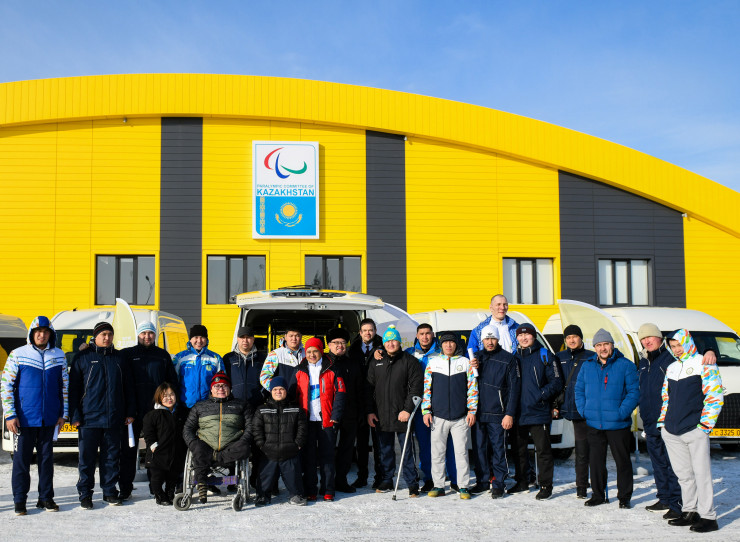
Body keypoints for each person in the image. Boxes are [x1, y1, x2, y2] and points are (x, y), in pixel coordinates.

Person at [1, 316, 68, 515]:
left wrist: (63, 414)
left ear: (51, 334)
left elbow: (64, 387)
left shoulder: (59, 355)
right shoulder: (18, 354)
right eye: (38, 331)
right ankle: (19, 500)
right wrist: (10, 415)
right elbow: (6, 385)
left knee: (46, 461)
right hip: (24, 419)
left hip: (49, 419)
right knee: (22, 461)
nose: (42, 335)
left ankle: (46, 498)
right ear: (32, 333)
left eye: (46, 332)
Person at [659, 329, 723, 533]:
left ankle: (709, 517)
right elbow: (666, 398)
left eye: (679, 344)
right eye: (673, 346)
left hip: (694, 429)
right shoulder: (671, 368)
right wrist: (663, 424)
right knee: (684, 475)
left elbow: (714, 396)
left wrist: (704, 427)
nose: (676, 349)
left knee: (701, 474)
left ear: (687, 342)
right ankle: (689, 511)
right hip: (672, 430)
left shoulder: (704, 363)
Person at [69, 321, 135, 509]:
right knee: (87, 459)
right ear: (95, 336)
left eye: (109, 334)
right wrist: (75, 415)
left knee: (111, 458)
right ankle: (85, 494)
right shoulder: (83, 357)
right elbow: (74, 389)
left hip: (114, 417)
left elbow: (129, 388)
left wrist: (130, 412)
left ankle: (109, 491)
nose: (107, 338)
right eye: (103, 335)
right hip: (89, 418)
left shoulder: (120, 358)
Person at [575, 328, 639, 509]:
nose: (602, 348)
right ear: (594, 347)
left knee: (622, 461)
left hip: (618, 423)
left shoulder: (625, 365)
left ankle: (624, 497)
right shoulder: (587, 366)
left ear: (612, 345)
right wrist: (584, 410)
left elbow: (634, 392)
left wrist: (621, 412)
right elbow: (579, 390)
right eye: (599, 345)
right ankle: (598, 495)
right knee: (596, 461)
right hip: (594, 422)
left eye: (606, 344)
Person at [118, 321, 177, 500]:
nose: (147, 336)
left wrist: (169, 405)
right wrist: (88, 347)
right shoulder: (128, 354)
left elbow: (171, 382)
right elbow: (108, 355)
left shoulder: (162, 355)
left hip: (157, 412)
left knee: (156, 449)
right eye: (144, 333)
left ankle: (155, 486)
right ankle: (125, 488)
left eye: (150, 333)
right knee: (128, 451)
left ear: (155, 335)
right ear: (138, 335)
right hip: (133, 412)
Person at [507, 323, 563, 500]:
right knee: (518, 450)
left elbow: (557, 382)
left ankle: (546, 485)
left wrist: (540, 395)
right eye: (520, 335)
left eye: (527, 335)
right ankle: (522, 481)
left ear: (534, 336)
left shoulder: (545, 355)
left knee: (543, 451)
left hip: (539, 411)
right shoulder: (514, 357)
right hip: (518, 413)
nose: (524, 338)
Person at [366, 325, 423, 496]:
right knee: (385, 450)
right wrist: (370, 411)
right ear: (383, 343)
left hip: (402, 414)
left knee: (407, 451)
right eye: (388, 341)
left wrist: (407, 410)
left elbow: (416, 388)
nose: (391, 344)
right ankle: (386, 480)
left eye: (394, 340)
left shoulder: (409, 361)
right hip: (381, 414)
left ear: (399, 342)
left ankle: (412, 482)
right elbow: (368, 389)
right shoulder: (376, 362)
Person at [421, 332, 478, 499]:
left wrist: (472, 410)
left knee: (461, 453)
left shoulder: (465, 362)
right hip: (438, 416)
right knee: (437, 453)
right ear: (441, 345)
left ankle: (463, 486)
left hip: (460, 417)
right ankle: (438, 485)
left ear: (456, 345)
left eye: (451, 342)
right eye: (445, 343)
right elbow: (427, 389)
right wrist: (426, 410)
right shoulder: (433, 363)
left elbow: (472, 388)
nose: (448, 345)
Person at [637, 322, 683, 519]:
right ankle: (664, 497)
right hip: (649, 420)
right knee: (658, 463)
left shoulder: (670, 358)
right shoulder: (643, 362)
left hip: (668, 420)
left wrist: (709, 351)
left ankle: (677, 501)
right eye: (643, 339)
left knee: (672, 463)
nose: (647, 341)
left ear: (659, 338)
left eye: (650, 337)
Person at [182, 371, 252, 504]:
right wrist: (193, 442)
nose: (221, 389)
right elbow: (187, 429)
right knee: (197, 448)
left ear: (230, 388)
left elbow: (250, 427)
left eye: (224, 386)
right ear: (211, 389)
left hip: (231, 447)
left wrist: (243, 440)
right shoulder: (200, 406)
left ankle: (216, 459)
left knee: (244, 447)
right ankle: (202, 483)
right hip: (206, 446)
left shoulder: (241, 405)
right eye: (217, 386)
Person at [469, 324, 520, 498]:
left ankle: (499, 482)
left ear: (498, 339)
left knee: (499, 450)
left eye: (493, 338)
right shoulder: (476, 358)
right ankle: (482, 481)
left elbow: (514, 389)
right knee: (479, 449)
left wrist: (509, 413)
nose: (490, 342)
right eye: (486, 338)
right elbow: (467, 383)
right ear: (482, 340)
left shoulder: (508, 359)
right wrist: (471, 367)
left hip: (498, 413)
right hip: (478, 413)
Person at [405, 323, 458, 492]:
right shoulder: (410, 353)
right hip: (419, 406)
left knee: (447, 444)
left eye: (428, 333)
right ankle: (429, 478)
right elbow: (393, 355)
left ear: (433, 335)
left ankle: (454, 478)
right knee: (425, 444)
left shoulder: (442, 352)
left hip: (441, 404)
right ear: (417, 336)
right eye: (421, 334)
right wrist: (379, 351)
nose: (425, 337)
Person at [293, 337, 346, 501]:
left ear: (321, 351)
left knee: (327, 456)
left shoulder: (332, 368)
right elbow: (294, 395)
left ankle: (328, 489)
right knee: (309, 457)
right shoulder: (299, 370)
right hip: (307, 420)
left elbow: (340, 393)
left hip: (327, 420)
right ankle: (311, 489)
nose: (312, 354)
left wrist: (336, 415)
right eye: (308, 351)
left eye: (315, 351)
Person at [552, 324, 596, 499]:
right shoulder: (559, 357)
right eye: (568, 337)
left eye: (575, 337)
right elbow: (555, 382)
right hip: (564, 407)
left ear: (581, 338)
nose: (571, 340)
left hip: (583, 410)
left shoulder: (591, 357)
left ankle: (582, 486)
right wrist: (554, 405)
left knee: (583, 450)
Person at [252, 376, 308, 506]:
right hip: (268, 451)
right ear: (271, 391)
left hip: (290, 451)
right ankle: (263, 496)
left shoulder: (296, 409)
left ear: (286, 391)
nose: (278, 392)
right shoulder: (262, 409)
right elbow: (256, 429)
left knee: (294, 476)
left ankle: (295, 495)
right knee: (265, 476)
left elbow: (302, 428)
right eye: (275, 389)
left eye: (281, 389)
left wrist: (298, 444)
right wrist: (261, 445)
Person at [224, 325, 267, 492]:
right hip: (235, 408)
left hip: (256, 407)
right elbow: (223, 380)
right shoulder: (228, 358)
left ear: (253, 339)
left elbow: (269, 379)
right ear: (237, 339)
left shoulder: (262, 358)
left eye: (248, 337)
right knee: (234, 443)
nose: (245, 341)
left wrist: (263, 396)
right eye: (242, 337)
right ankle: (233, 478)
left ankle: (256, 478)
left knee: (257, 444)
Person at [347, 318, 383, 489]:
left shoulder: (383, 348)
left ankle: (380, 477)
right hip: (359, 402)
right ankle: (362, 477)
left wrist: (379, 352)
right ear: (360, 333)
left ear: (375, 331)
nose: (368, 333)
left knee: (379, 443)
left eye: (371, 330)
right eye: (365, 330)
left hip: (378, 401)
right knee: (361, 444)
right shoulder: (352, 350)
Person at [325, 327, 362, 494]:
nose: (340, 345)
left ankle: (341, 480)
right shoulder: (324, 363)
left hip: (350, 413)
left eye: (343, 342)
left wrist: (361, 411)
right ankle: (327, 483)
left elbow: (360, 388)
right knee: (328, 448)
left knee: (347, 449)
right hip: (328, 413)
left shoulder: (352, 363)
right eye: (336, 342)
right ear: (329, 345)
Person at [141, 382, 186, 506]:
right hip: (158, 452)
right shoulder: (153, 415)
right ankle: (159, 495)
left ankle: (170, 493)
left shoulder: (181, 413)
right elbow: (148, 434)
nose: (169, 398)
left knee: (172, 476)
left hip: (176, 452)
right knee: (157, 477)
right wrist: (153, 446)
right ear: (159, 397)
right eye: (165, 396)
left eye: (171, 394)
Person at [173, 324, 224, 411]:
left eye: (202, 337)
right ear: (190, 339)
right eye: (196, 337)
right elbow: (173, 382)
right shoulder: (180, 358)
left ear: (207, 339)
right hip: (185, 406)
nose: (199, 341)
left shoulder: (215, 358)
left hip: (209, 406)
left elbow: (222, 382)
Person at [260, 326, 305, 397]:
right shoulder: (275, 354)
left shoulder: (307, 354)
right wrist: (277, 392)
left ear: (301, 337)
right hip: (283, 399)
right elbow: (264, 378)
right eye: (291, 336)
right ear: (285, 337)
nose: (294, 339)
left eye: (297, 336)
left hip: (303, 397)